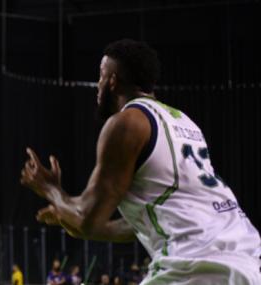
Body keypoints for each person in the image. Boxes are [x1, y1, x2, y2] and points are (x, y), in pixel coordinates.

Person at [21, 39, 261, 284]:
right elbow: (136, 224)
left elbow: (88, 215)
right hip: (248, 260)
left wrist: (51, 189)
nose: (98, 85)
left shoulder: (127, 123)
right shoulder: (184, 123)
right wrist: (72, 216)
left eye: (101, 77)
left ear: (112, 81)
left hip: (197, 266)